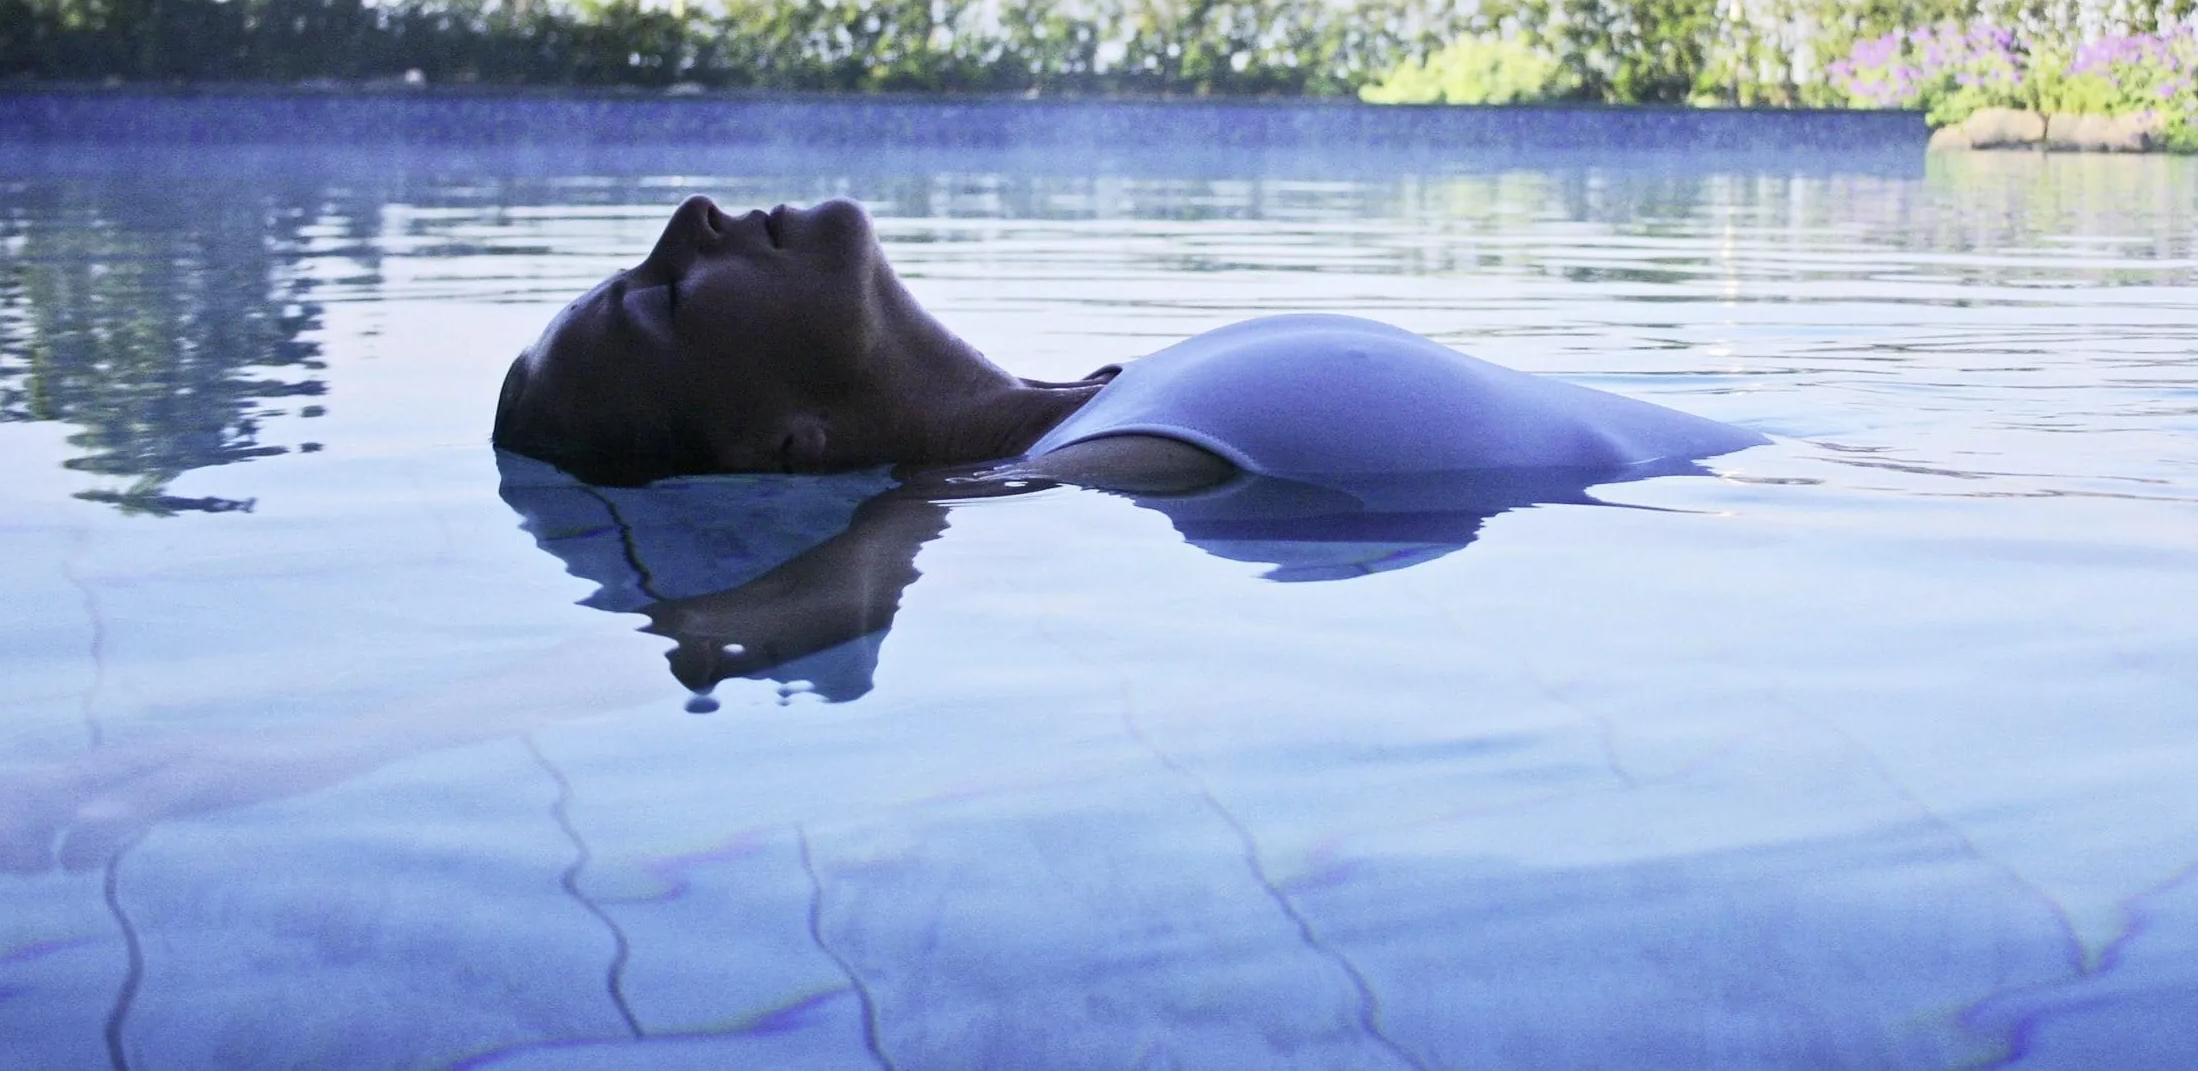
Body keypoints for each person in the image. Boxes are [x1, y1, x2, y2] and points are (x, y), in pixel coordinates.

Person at [494, 195, 1764, 699]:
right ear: (790, 443)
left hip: (1755, 459)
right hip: (1745, 504)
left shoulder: (1098, 406)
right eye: (662, 300)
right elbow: (940, 514)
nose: (688, 220)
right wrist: (818, 593)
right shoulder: (1110, 457)